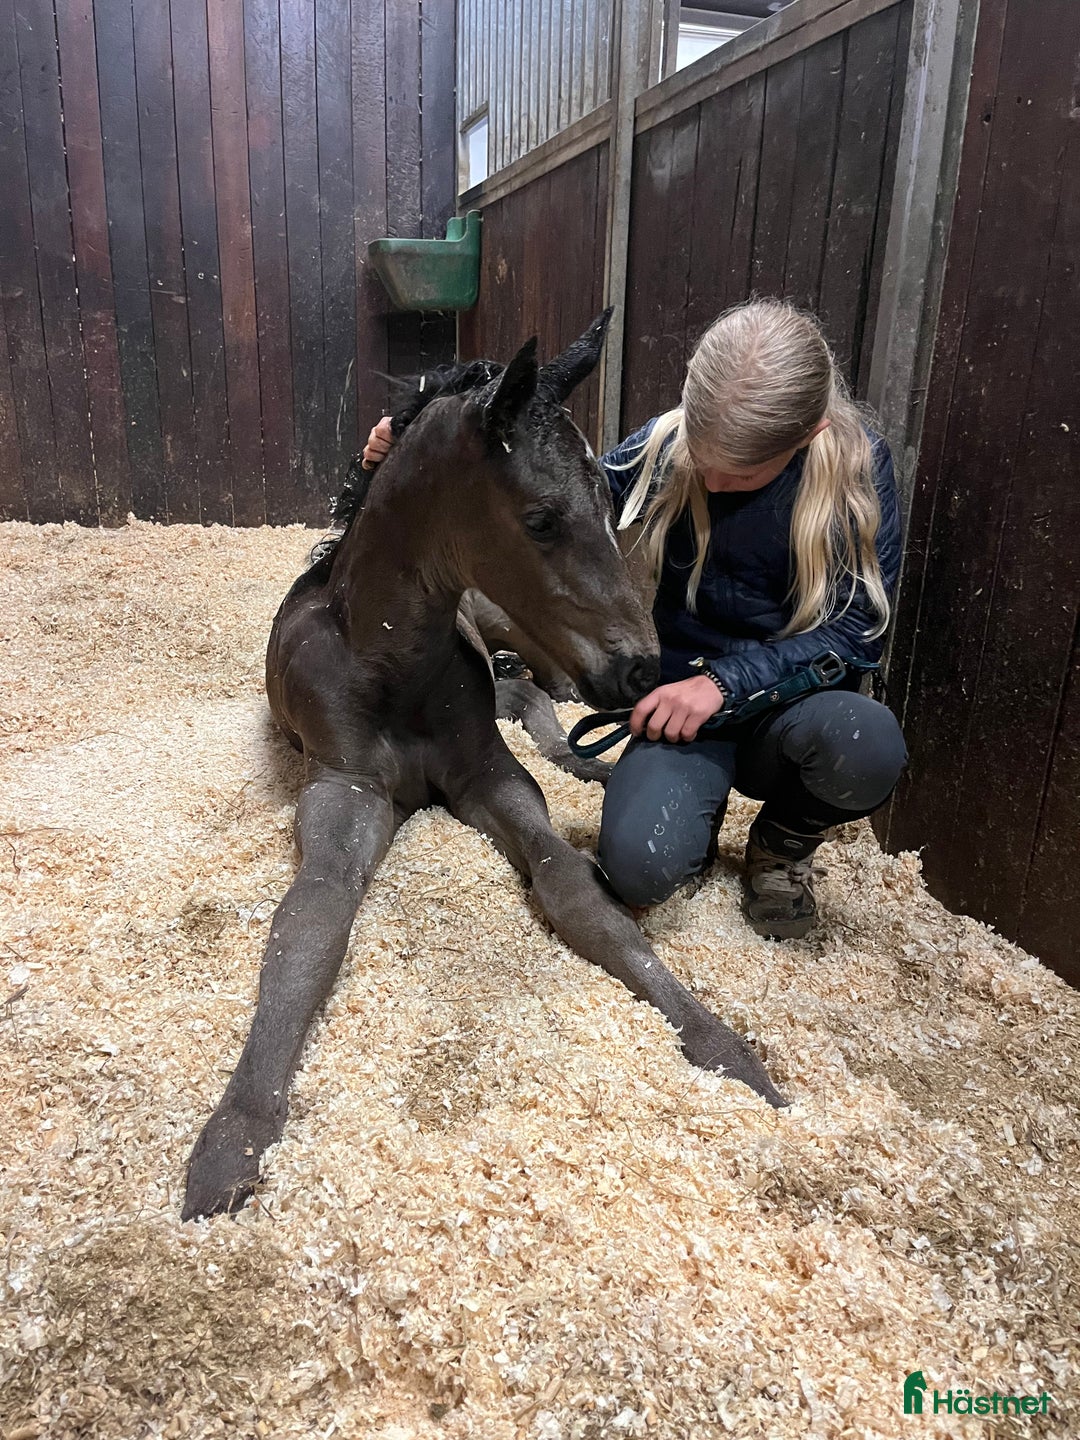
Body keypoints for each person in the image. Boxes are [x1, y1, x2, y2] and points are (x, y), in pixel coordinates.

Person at [363, 298, 907, 940]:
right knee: (638, 869)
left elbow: (858, 632)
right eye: (701, 453)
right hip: (678, 716)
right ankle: (694, 814)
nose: (709, 478)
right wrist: (420, 456)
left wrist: (724, 685)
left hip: (791, 716)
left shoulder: (856, 472)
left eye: (739, 473)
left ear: (808, 434)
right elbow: (564, 500)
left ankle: (783, 845)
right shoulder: (667, 445)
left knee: (867, 742)